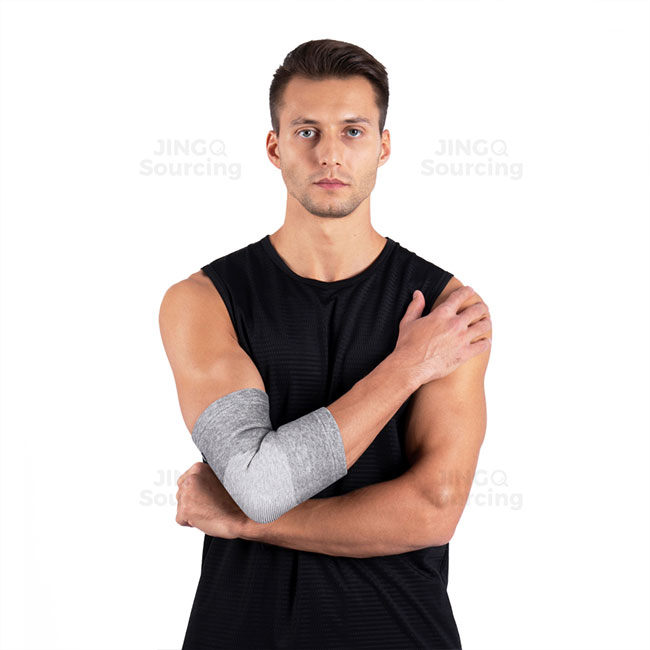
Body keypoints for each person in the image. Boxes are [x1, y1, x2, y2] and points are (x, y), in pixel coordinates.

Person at [159, 38, 492, 650]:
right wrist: (407, 366)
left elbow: (433, 509)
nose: (330, 153)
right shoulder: (202, 302)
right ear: (275, 146)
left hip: (399, 634)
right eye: (307, 131)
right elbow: (259, 483)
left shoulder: (448, 311)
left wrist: (245, 522)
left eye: (353, 131)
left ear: (383, 146)